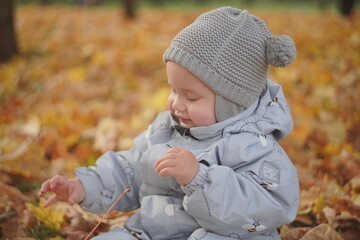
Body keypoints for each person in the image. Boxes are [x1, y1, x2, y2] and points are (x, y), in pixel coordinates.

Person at [39, 6, 299, 240]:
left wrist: (200, 178)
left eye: (191, 96)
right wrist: (83, 187)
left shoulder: (253, 146)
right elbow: (130, 169)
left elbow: (269, 207)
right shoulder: (166, 129)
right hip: (151, 232)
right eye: (173, 90)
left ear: (232, 102)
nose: (176, 103)